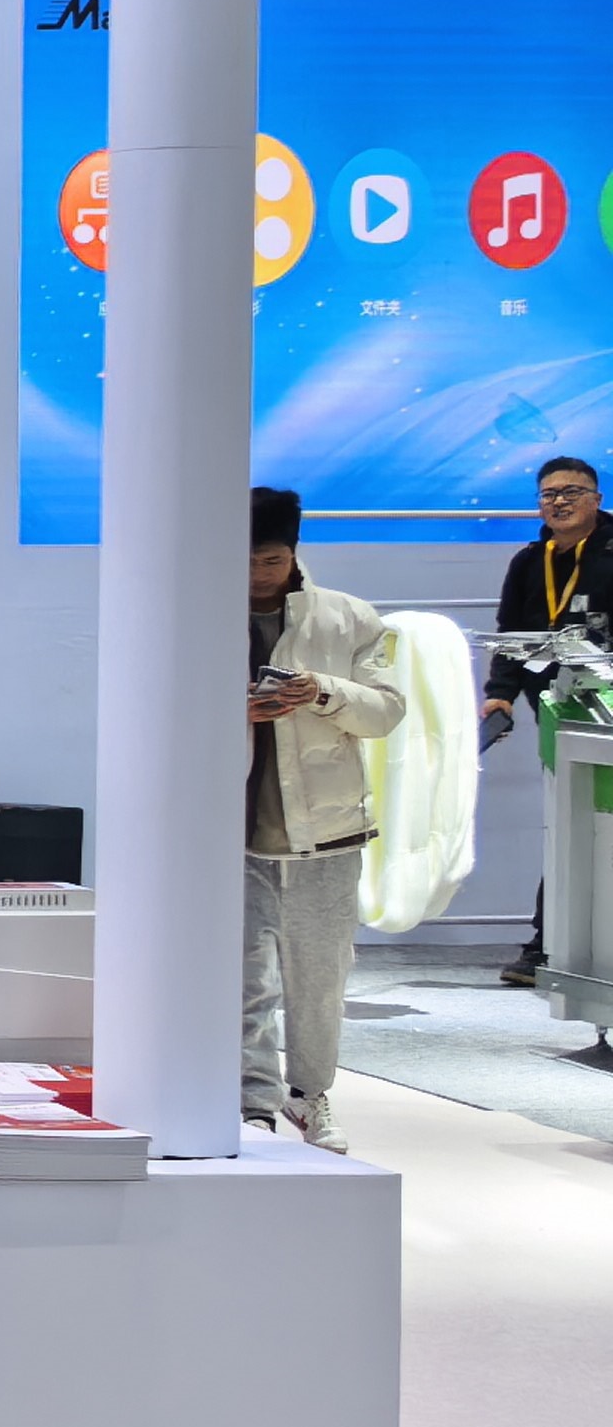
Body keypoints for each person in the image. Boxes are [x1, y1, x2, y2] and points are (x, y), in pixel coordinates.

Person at [243, 486, 404, 1150]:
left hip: (327, 833)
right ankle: (251, 1102)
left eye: (272, 560)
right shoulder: (195, 608)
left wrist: (322, 692)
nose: (260, 574)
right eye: (248, 560)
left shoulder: (347, 616)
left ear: (294, 552)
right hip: (229, 833)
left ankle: (309, 1095)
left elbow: (387, 711)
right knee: (243, 979)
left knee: (320, 978)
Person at [486, 454, 605, 984]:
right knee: (569, 821)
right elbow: (510, 633)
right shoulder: (529, 561)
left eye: (571, 492)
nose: (559, 501)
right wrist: (500, 696)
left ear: (596, 498)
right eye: (549, 494)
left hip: (608, 705)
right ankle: (549, 947)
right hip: (557, 708)